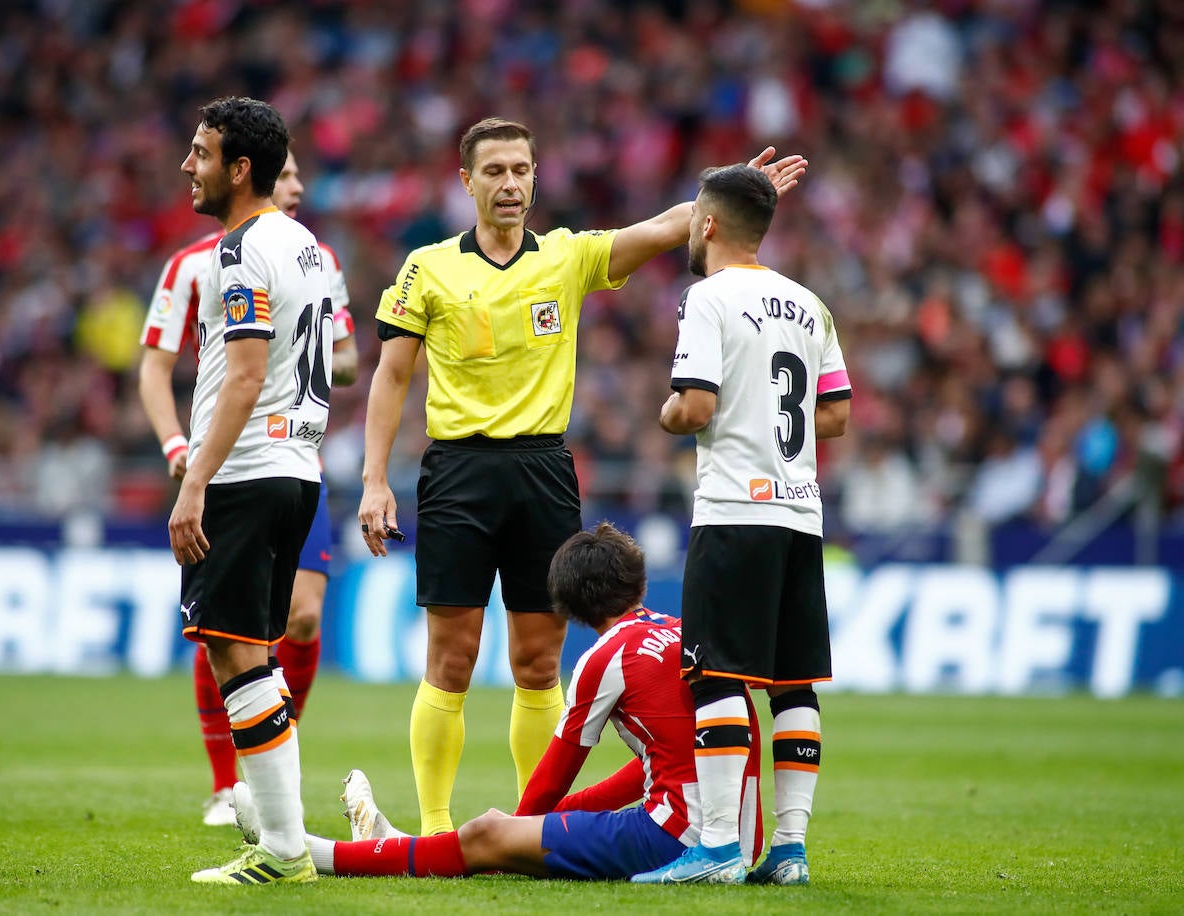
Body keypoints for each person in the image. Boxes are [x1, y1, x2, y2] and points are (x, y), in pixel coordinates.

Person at [357, 116, 806, 836]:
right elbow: (391, 375)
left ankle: (530, 824)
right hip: (457, 471)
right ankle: (438, 827)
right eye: (495, 171)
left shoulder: (566, 257)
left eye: (521, 170)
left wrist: (735, 195)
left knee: (538, 661)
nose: (510, 184)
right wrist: (375, 478)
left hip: (541, 469)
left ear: (536, 177)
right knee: (453, 656)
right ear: (466, 181)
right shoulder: (427, 267)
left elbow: (665, 227)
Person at [232, 523, 760, 880]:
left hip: (679, 838)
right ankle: (392, 843)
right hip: (743, 833)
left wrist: (513, 833)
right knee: (511, 830)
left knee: (488, 830)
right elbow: (664, 761)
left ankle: (316, 852)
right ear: (637, 579)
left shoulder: (606, 658)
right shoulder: (680, 631)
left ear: (568, 602)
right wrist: (538, 827)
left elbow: (554, 777)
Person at [632, 164, 851, 885]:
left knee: (716, 675)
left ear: (708, 225)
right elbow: (836, 415)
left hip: (734, 512)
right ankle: (788, 850)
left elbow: (693, 407)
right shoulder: (809, 303)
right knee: (793, 684)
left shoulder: (709, 297)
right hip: (799, 511)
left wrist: (666, 416)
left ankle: (719, 847)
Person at [138, 148, 358, 828]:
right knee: (232, 634)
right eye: (285, 174)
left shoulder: (316, 260)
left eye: (298, 176)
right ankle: (231, 785)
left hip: (280, 460)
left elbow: (341, 358)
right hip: (237, 458)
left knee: (290, 620)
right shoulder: (197, 264)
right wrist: (180, 449)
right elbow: (155, 365)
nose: (294, 185)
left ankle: (273, 799)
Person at [167, 95, 333, 886]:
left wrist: (193, 482)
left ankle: (283, 849)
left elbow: (242, 372)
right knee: (256, 659)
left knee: (236, 659)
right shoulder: (304, 245)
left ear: (239, 169)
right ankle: (285, 839)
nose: (186, 167)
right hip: (298, 466)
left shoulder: (235, 252)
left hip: (245, 472)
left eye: (199, 153)